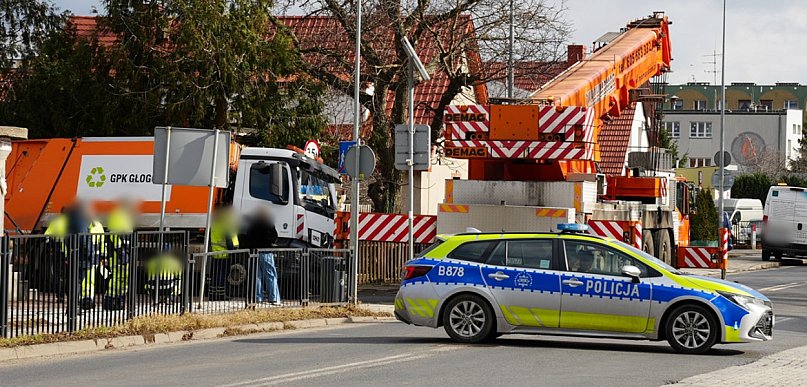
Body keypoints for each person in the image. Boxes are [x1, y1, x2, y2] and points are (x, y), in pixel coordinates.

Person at [242, 206, 281, 305]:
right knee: (270, 275)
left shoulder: (252, 225)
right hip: (266, 252)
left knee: (256, 276)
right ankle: (273, 298)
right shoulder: (269, 224)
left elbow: (248, 238)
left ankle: (258, 297)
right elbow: (274, 238)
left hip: (254, 253)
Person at [103, 202, 135, 310]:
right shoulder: (119, 217)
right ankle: (111, 300)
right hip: (117, 255)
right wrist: (121, 251)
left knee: (123, 278)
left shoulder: (124, 217)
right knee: (117, 278)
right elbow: (114, 236)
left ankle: (118, 301)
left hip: (122, 253)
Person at [209, 208, 239, 301]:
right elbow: (229, 241)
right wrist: (232, 251)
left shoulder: (215, 225)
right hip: (224, 254)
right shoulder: (226, 226)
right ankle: (221, 296)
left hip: (216, 253)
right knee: (222, 276)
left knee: (215, 275)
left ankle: (213, 295)